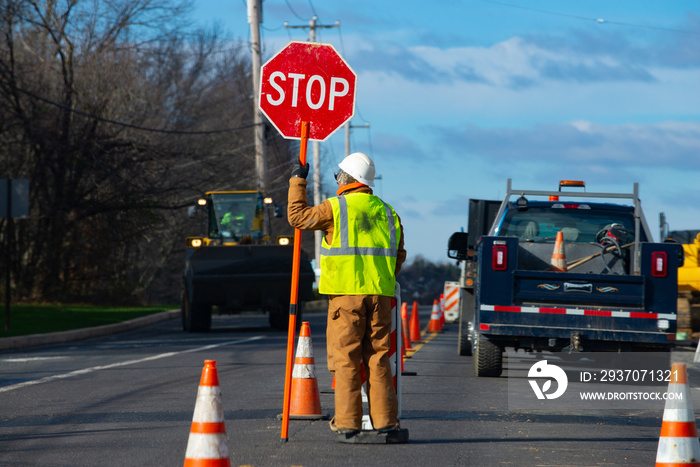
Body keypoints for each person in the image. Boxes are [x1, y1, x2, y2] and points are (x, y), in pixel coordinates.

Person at [287, 152, 407, 442]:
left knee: (347, 360)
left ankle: (348, 423)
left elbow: (296, 217)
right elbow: (398, 255)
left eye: (338, 175)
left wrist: (297, 181)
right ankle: (386, 424)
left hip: (346, 297)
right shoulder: (388, 212)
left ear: (345, 179)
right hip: (380, 296)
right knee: (378, 359)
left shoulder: (334, 208)